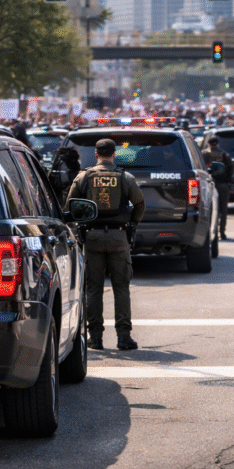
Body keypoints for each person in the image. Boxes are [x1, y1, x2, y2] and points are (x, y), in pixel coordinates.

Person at [67, 138, 145, 351]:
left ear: (96, 154)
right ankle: (123, 337)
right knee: (121, 287)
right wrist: (132, 224)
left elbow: (70, 206)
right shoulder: (124, 177)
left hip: (92, 237)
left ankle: (96, 338)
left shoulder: (84, 176)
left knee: (93, 288)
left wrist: (80, 224)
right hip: (119, 237)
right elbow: (139, 203)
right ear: (114, 154)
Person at [202, 136, 233, 240]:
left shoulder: (204, 153)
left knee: (209, 209)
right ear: (217, 143)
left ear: (209, 144)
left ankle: (211, 231)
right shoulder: (224, 154)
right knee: (223, 209)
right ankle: (222, 232)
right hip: (223, 184)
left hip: (209, 184)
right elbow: (231, 167)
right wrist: (228, 180)